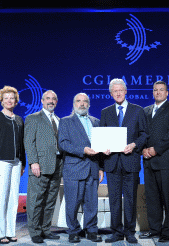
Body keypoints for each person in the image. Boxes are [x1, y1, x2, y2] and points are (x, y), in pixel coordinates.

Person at [100, 78, 148, 244]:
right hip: (112, 163)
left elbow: (144, 134)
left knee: (130, 199)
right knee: (114, 199)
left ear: (126, 91)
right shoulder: (105, 112)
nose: (118, 93)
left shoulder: (137, 110)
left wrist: (135, 144)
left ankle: (129, 232)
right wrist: (103, 148)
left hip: (131, 162)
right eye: (115, 91)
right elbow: (102, 137)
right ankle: (116, 232)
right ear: (111, 93)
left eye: (121, 90)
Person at [58, 93, 106, 243]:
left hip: (92, 167)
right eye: (78, 101)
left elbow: (101, 146)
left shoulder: (96, 122)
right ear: (73, 104)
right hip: (74, 168)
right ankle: (73, 230)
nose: (82, 104)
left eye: (85, 101)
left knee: (91, 203)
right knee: (72, 203)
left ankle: (91, 230)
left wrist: (101, 168)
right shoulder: (65, 122)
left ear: (89, 104)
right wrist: (83, 150)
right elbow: (63, 144)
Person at [140, 81, 169, 243]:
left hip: (165, 160)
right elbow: (141, 132)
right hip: (148, 161)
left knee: (167, 198)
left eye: (161, 90)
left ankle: (167, 231)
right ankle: (154, 229)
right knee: (152, 197)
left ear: (167, 93)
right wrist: (143, 148)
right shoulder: (146, 111)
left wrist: (155, 149)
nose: (158, 92)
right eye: (155, 90)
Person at [0, 86, 26, 244]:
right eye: (6, 98)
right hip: (0, 162)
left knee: (12, 198)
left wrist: (22, 162)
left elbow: (22, 144)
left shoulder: (18, 119)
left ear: (16, 101)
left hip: (16, 163)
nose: (9, 100)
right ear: (1, 100)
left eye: (12, 98)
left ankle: (9, 231)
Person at [24, 90, 63, 244]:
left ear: (57, 101)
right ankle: (34, 231)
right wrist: (33, 162)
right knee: (36, 199)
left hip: (57, 165)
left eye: (54, 99)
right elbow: (29, 142)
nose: (51, 101)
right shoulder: (33, 118)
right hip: (40, 165)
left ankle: (46, 230)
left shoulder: (59, 120)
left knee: (50, 200)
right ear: (42, 101)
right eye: (48, 98)